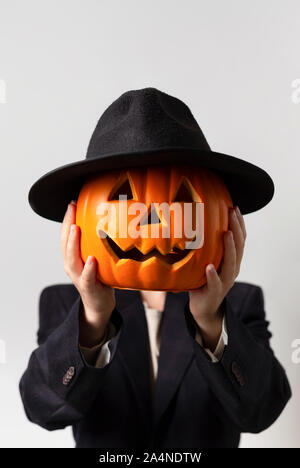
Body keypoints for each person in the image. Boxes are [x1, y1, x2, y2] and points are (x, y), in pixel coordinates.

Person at [20, 87, 291, 448]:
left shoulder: (239, 304)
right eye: (124, 200)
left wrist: (210, 320)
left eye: (177, 202)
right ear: (78, 220)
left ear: (220, 219)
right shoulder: (64, 304)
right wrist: (93, 318)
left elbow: (262, 412)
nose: (152, 223)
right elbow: (44, 410)